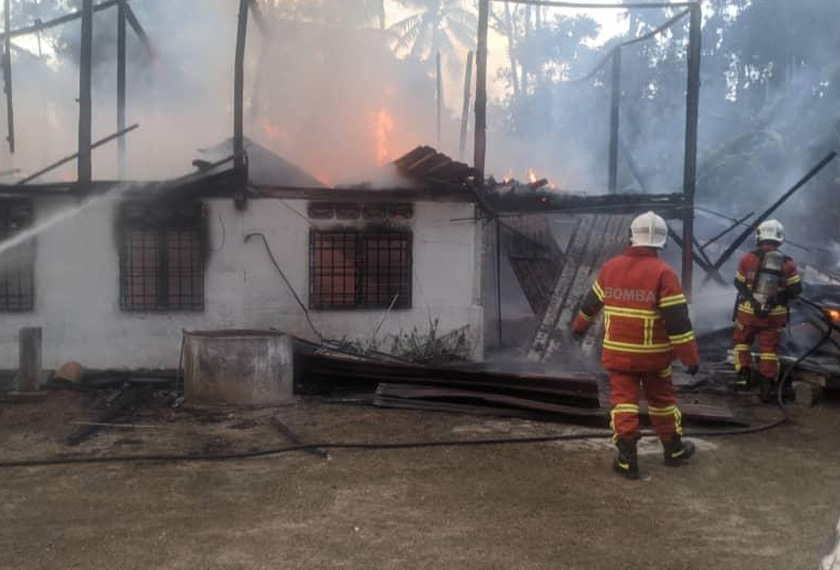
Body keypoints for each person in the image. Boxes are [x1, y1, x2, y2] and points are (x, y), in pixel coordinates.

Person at [572, 211, 700, 480]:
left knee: (624, 403)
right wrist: (689, 358)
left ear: (631, 236)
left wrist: (578, 329)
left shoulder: (611, 268)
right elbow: (677, 321)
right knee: (662, 402)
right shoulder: (664, 273)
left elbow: (590, 305)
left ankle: (627, 460)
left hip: (618, 354)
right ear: (662, 241)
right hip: (654, 357)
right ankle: (674, 450)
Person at [732, 219, 802, 402]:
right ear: (780, 239)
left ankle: (743, 378)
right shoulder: (788, 263)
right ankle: (767, 385)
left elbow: (738, 283)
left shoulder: (747, 259)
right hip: (774, 316)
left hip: (748, 313)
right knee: (769, 350)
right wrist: (776, 300)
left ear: (759, 236)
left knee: (742, 343)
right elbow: (796, 290)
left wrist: (753, 301)